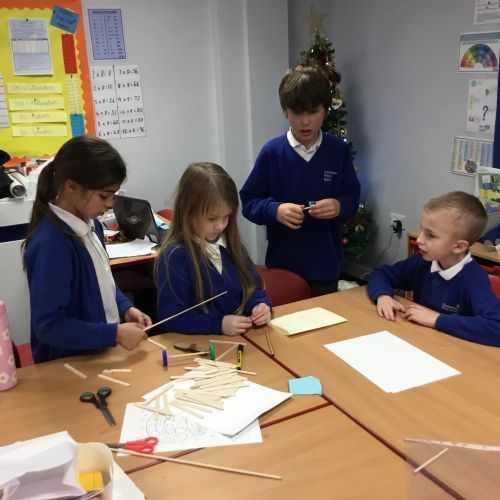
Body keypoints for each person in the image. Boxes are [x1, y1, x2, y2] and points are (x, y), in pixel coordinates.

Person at [22, 136, 151, 363]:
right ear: (71, 187)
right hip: (68, 364)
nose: (110, 204)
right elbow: (49, 326)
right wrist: (114, 333)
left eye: (114, 195)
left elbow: (103, 283)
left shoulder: (93, 225)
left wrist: (124, 308)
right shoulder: (53, 245)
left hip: (99, 354)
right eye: (104, 196)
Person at [239, 64, 360, 297]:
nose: (305, 121)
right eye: (297, 112)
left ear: (325, 109)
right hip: (283, 266)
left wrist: (338, 206)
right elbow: (249, 201)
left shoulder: (338, 151)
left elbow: (352, 198)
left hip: (325, 268)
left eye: (313, 112)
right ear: (285, 111)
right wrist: (275, 210)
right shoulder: (272, 152)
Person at [367, 191, 500, 346]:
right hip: (420, 340)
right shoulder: (423, 261)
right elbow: (381, 274)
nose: (419, 240)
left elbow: (496, 327)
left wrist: (437, 319)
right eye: (421, 229)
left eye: (430, 235)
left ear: (458, 246)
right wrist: (383, 296)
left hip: (454, 350)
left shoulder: (474, 279)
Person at [155, 162, 271, 336]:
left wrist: (260, 305)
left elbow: (253, 288)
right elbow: (170, 318)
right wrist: (218, 324)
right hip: (203, 346)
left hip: (243, 340)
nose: (220, 226)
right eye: (212, 219)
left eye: (227, 217)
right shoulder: (175, 256)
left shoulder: (232, 245)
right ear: (188, 212)